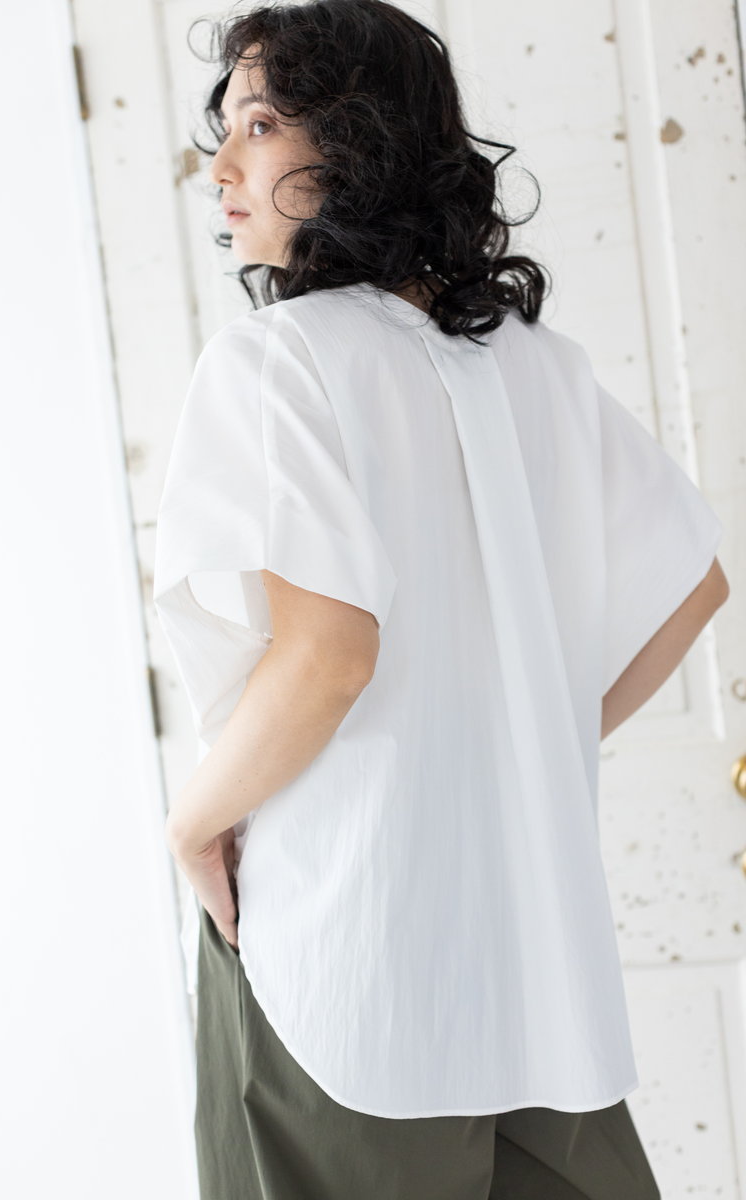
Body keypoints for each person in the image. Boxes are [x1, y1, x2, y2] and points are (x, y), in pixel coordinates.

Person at [152, 1, 729, 1196]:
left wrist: (189, 823)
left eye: (258, 124)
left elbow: (327, 658)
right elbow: (692, 584)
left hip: (341, 954)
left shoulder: (276, 359)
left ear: (356, 138)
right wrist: (530, 738)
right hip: (534, 975)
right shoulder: (537, 365)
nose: (221, 168)